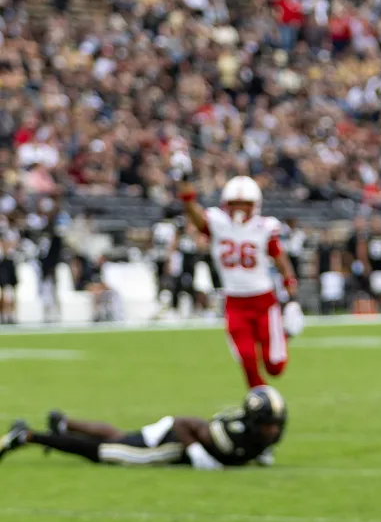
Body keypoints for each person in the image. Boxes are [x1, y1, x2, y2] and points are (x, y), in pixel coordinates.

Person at [173, 162, 304, 388]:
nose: (239, 210)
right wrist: (185, 181)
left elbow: (280, 259)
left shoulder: (265, 226)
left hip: (264, 302)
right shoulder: (218, 223)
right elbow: (192, 211)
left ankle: (284, 334)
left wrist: (291, 293)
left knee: (275, 366)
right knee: (248, 363)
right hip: (234, 303)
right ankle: (263, 411)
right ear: (226, 205)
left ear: (256, 205)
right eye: (234, 204)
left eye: (245, 204)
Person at [0, 386, 287, 469]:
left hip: (166, 438)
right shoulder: (231, 435)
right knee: (102, 452)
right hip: (164, 446)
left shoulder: (253, 439)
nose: (273, 431)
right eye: (269, 426)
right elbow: (183, 422)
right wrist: (197, 453)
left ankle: (63, 423)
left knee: (116, 436)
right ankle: (27, 436)